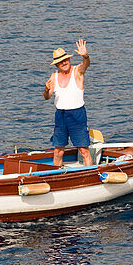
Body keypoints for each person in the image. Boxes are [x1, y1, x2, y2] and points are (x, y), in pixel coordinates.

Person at [44, 38, 94, 168]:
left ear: (69, 59)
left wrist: (85, 56)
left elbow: (86, 64)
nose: (64, 62)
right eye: (61, 61)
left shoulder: (77, 71)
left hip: (77, 115)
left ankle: (90, 175)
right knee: (57, 151)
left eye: (66, 59)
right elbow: (47, 97)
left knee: (84, 151)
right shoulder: (54, 76)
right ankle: (56, 176)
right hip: (60, 116)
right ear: (56, 65)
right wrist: (46, 89)